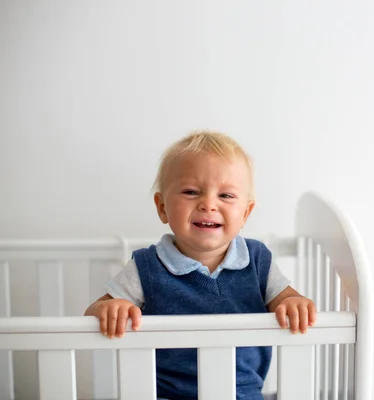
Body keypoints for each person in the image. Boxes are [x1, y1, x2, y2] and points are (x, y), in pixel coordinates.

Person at [84, 130, 317, 400]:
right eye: (191, 192)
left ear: (245, 213)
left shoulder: (258, 261)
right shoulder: (147, 266)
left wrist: (293, 303)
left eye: (226, 196)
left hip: (241, 393)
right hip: (163, 394)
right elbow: (92, 314)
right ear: (162, 207)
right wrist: (110, 308)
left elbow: (286, 298)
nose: (208, 204)